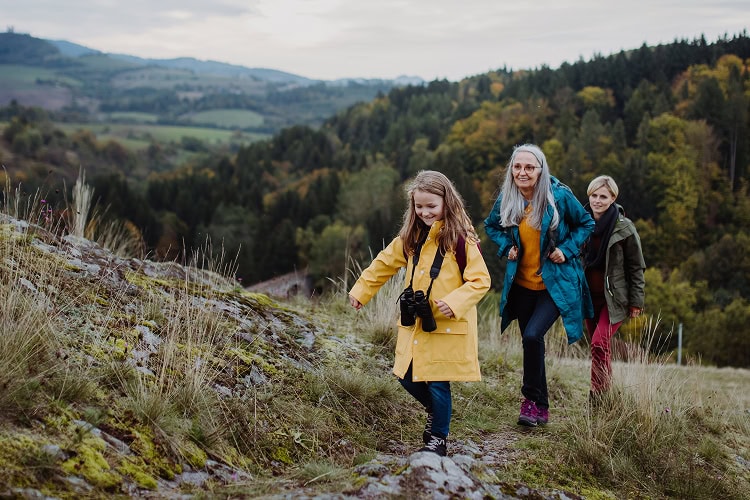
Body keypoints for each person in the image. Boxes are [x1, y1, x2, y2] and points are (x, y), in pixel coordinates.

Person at [349, 170, 491, 457]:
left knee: (438, 381)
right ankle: (437, 411)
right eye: (419, 206)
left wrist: (455, 301)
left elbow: (481, 280)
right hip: (415, 322)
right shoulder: (411, 237)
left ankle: (438, 437)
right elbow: (383, 263)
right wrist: (361, 290)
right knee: (406, 375)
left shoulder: (461, 239)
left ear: (446, 202)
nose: (425, 212)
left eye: (431, 206)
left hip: (447, 325)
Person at [484, 144, 594, 427]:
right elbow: (491, 226)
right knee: (532, 344)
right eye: (517, 167)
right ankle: (539, 406)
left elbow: (586, 223)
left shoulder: (558, 196)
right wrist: (506, 246)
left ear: (540, 170)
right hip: (520, 285)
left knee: (533, 336)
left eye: (529, 167)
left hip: (553, 285)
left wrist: (567, 250)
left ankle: (529, 400)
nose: (522, 172)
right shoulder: (509, 198)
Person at [583, 175, 645, 401]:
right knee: (598, 347)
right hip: (589, 297)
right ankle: (603, 394)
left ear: (612, 199)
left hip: (614, 298)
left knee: (600, 342)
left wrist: (636, 301)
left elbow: (636, 267)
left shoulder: (624, 228)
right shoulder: (582, 223)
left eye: (603, 196)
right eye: (594, 195)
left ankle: (598, 392)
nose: (597, 200)